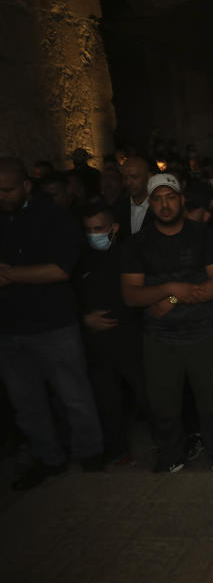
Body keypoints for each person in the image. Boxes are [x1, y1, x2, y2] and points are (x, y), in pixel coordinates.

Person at [0, 157, 104, 489]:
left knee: (73, 394)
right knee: (26, 401)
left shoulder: (55, 217)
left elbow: (60, 269)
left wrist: (11, 274)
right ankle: (49, 457)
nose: (2, 196)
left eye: (7, 189)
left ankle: (90, 454)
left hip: (53, 324)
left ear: (26, 185)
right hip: (9, 328)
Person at [121, 173, 213, 473]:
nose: (165, 205)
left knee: (211, 401)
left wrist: (169, 299)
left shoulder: (203, 236)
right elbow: (132, 296)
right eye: (157, 199)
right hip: (159, 338)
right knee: (163, 404)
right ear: (149, 203)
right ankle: (171, 456)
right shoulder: (138, 243)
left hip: (201, 334)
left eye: (170, 197)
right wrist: (172, 288)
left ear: (182, 199)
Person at [77, 201, 149, 464]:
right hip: (97, 344)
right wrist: (85, 320)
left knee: (149, 396)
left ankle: (169, 448)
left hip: (131, 339)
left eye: (99, 228)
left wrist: (173, 302)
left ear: (114, 228)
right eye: (88, 229)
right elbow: (72, 297)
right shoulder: (82, 259)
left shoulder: (131, 255)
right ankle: (116, 449)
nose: (93, 234)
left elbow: (159, 294)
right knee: (106, 400)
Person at [115, 155, 152, 238]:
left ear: (149, 177)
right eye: (125, 178)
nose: (128, 182)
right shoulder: (118, 207)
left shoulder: (159, 206)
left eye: (134, 177)